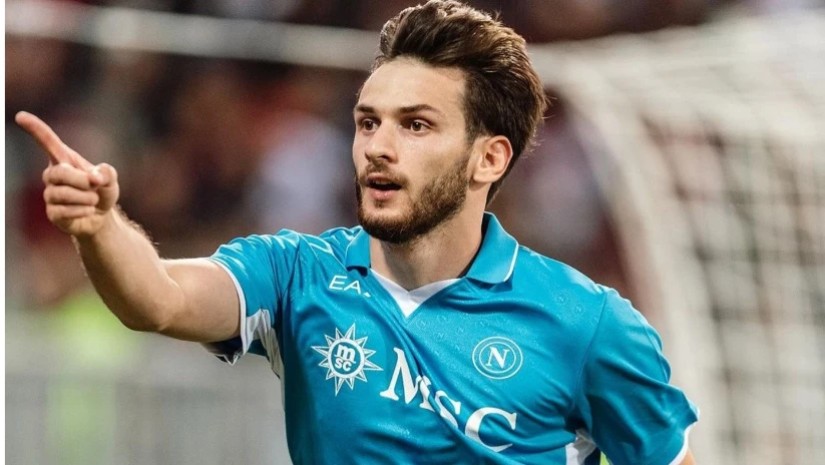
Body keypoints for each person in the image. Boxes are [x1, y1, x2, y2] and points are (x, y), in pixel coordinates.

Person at [16, 1, 698, 464]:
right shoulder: (297, 275)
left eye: (416, 125)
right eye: (368, 122)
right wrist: (100, 227)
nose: (378, 146)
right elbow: (158, 298)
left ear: (489, 158)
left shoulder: (587, 323)